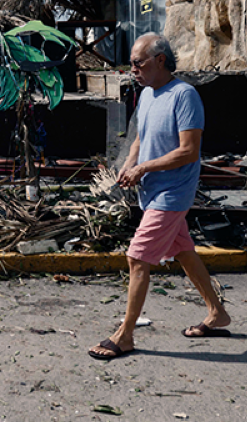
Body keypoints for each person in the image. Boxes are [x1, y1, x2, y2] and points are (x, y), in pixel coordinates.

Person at [88, 33, 230, 361]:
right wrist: (128, 166)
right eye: (131, 64)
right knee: (184, 252)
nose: (132, 69)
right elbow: (141, 137)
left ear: (160, 60)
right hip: (151, 191)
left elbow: (189, 151)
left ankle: (124, 335)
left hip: (172, 193)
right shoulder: (148, 95)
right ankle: (217, 313)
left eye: (138, 63)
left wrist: (144, 169)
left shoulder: (185, 95)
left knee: (138, 258)